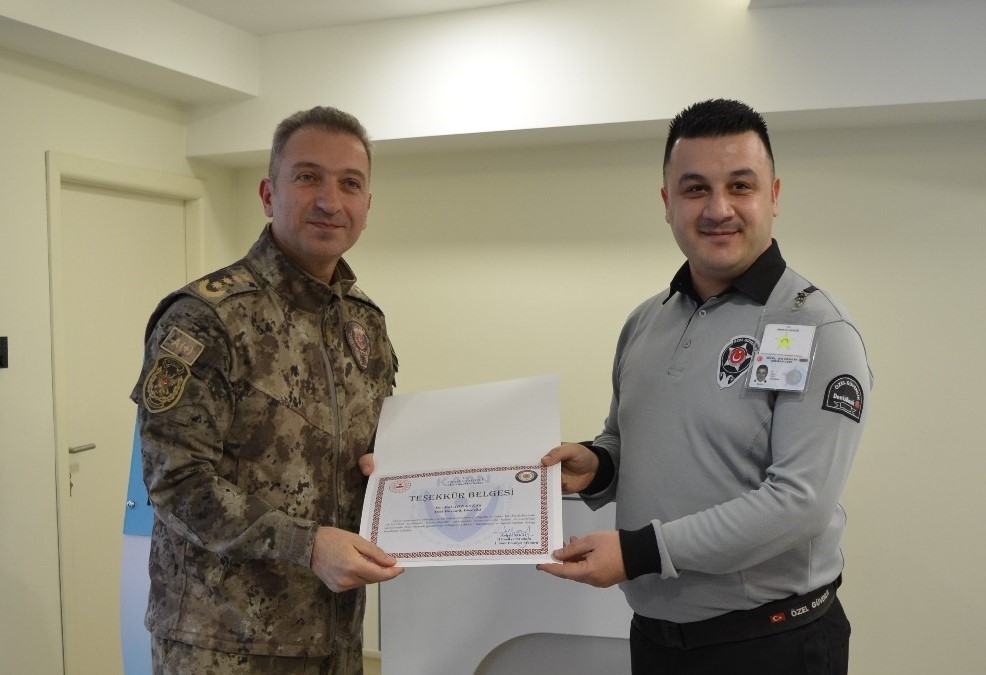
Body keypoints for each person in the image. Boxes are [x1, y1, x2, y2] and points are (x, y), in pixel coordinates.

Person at [538, 99, 871, 675]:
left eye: (740, 185)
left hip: (771, 644)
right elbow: (626, 439)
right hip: (657, 639)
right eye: (695, 189)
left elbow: (800, 502)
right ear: (667, 203)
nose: (719, 209)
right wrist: (599, 464)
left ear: (773, 195)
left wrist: (640, 552)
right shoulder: (645, 322)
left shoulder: (816, 328)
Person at [131, 105, 403, 675]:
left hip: (334, 635)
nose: (330, 200)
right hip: (222, 644)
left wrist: (403, 478)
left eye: (350, 183)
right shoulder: (206, 318)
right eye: (307, 177)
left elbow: (371, 449)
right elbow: (175, 482)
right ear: (267, 193)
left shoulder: (363, 321)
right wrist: (308, 544)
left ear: (367, 206)